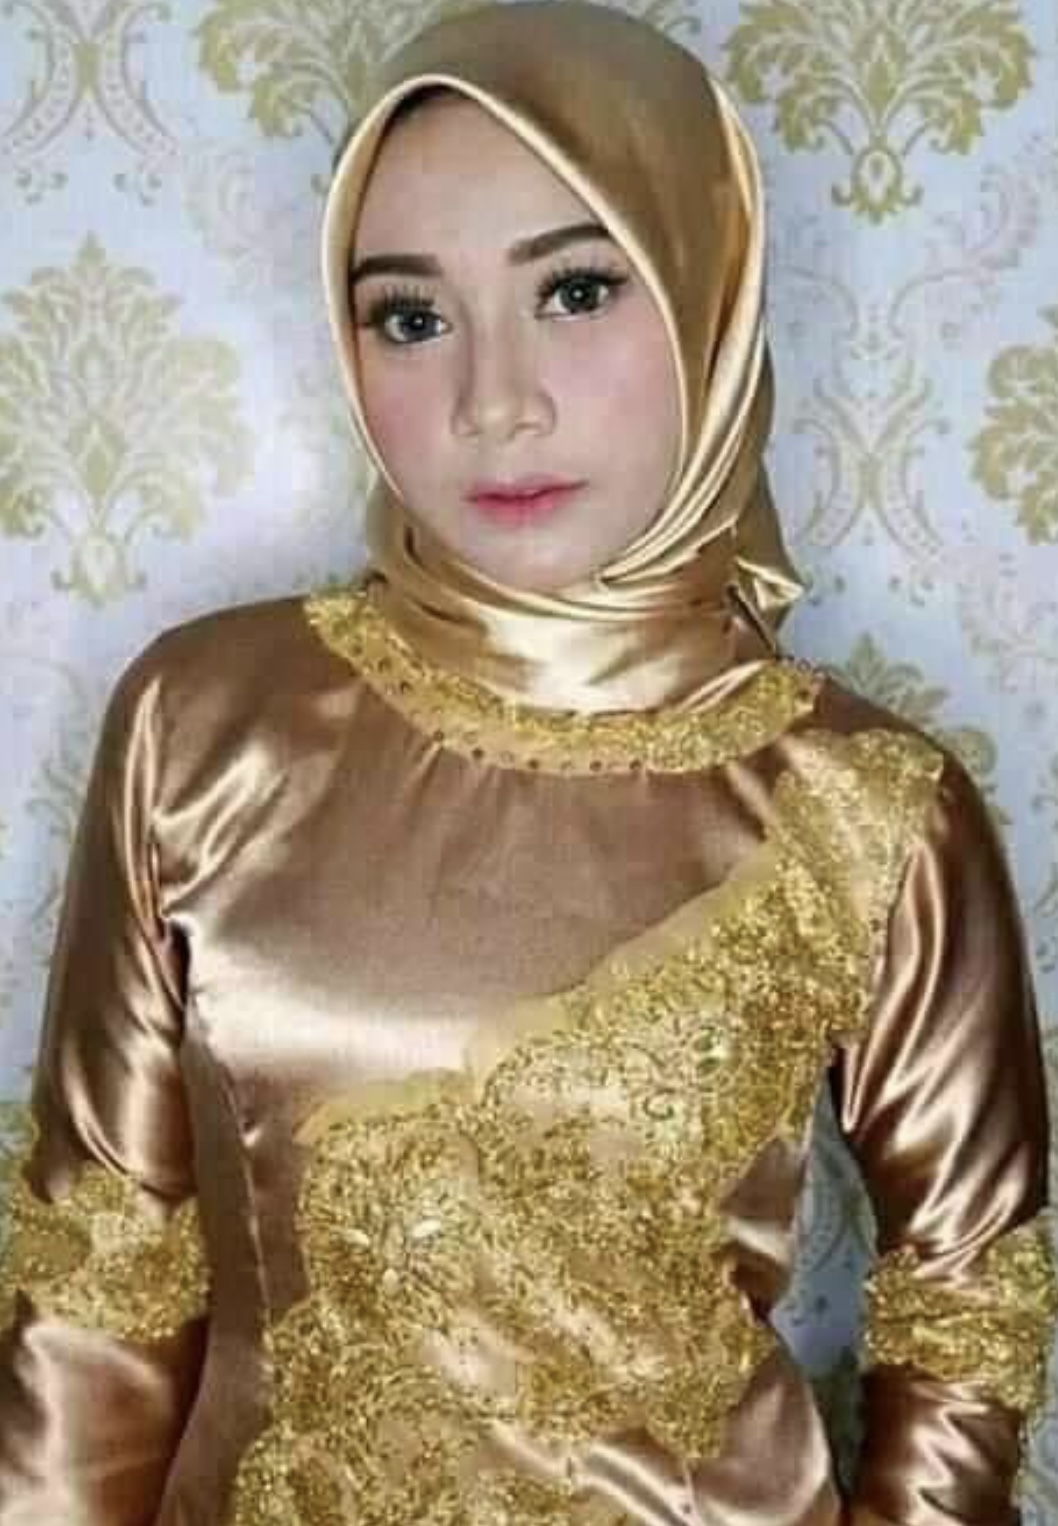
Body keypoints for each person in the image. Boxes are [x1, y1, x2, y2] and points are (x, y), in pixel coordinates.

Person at [0, 3, 1054, 1523]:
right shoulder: (205, 722)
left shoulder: (870, 806)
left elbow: (967, 1307)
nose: (495, 402)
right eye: (409, 317)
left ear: (706, 292)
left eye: (574, 289)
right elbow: (102, 1270)